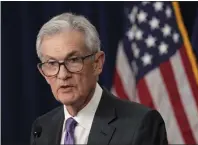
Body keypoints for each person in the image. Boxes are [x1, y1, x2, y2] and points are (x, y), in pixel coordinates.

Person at [30, 12, 168, 145]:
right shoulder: (43, 128)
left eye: (73, 60)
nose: (63, 75)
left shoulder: (141, 125)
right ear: (43, 73)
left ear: (97, 63)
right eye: (52, 64)